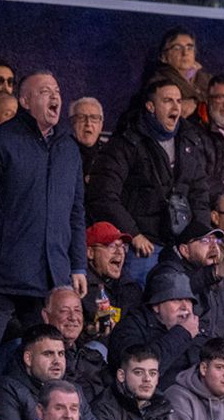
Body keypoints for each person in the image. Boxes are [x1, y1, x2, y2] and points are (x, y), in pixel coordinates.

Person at [0, 71, 87, 368]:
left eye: (57, 90)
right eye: (44, 91)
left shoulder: (69, 148)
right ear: (25, 101)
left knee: (44, 360)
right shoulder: (0, 141)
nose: (54, 96)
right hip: (2, 274)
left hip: (51, 275)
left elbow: (76, 211)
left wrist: (78, 265)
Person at [86, 77, 213, 283]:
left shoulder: (189, 140)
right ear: (150, 106)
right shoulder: (126, 143)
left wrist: (198, 236)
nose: (175, 106)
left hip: (178, 244)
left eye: (178, 101)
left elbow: (200, 193)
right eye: (167, 101)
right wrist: (133, 234)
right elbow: (103, 195)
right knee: (142, 305)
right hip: (143, 247)